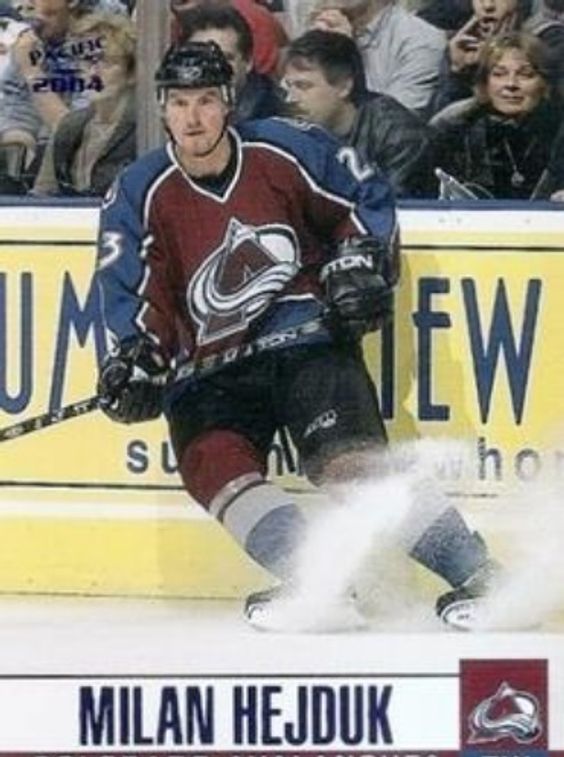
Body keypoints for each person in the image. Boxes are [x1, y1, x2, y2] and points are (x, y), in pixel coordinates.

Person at [96, 41, 500, 632]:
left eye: (205, 100)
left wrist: (359, 262)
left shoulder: (288, 148)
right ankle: (317, 581)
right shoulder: (138, 190)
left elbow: (364, 199)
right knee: (213, 467)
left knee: (352, 466)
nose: (193, 117)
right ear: (162, 108)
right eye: (179, 103)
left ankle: (479, 573)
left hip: (307, 343)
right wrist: (137, 356)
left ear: (228, 101)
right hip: (212, 368)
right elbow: (133, 289)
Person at [282, 28, 434, 197]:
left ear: (344, 87)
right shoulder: (292, 131)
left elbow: (391, 207)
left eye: (303, 86)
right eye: (289, 86)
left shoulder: (398, 135)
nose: (290, 99)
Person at [430, 31, 564, 199]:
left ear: (545, 83)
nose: (511, 84)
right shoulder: (457, 128)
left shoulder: (559, 129)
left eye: (525, 75)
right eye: (499, 74)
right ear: (485, 82)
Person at [32, 11, 136, 195]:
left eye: (106, 62)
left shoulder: (148, 130)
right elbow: (42, 195)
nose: (93, 73)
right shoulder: (69, 126)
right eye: (87, 62)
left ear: (131, 73)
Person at [307, 0, 446, 117]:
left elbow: (393, 125)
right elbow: (298, 107)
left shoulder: (420, 40)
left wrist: (346, 54)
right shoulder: (321, 26)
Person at [177, 3, 284, 122]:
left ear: (248, 62)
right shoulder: (175, 107)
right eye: (202, 58)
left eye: (226, 58)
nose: (215, 68)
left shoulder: (273, 119)